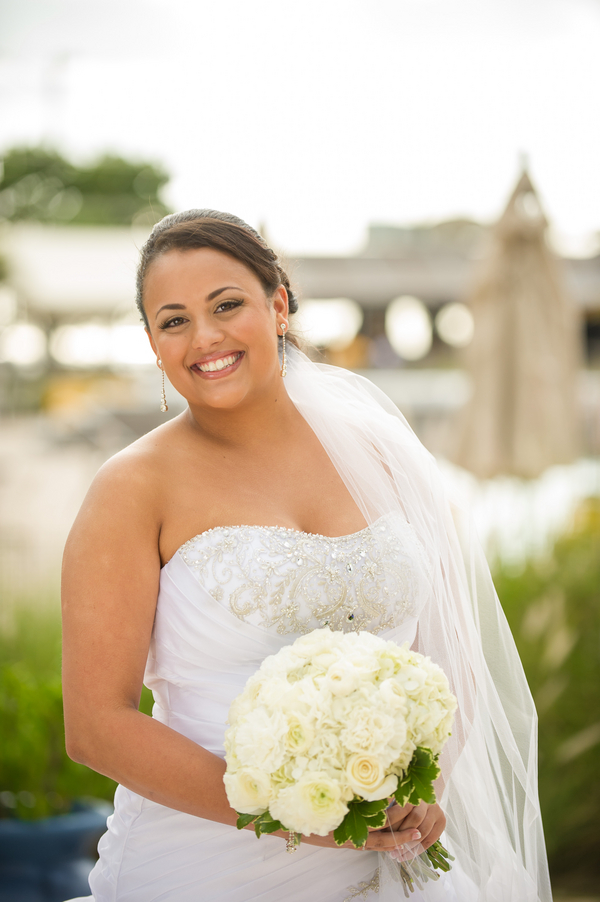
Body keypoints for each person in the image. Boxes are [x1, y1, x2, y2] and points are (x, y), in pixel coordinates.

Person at [62, 210, 552, 902]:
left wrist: (419, 785)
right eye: (173, 321)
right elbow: (96, 727)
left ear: (279, 305)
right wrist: (297, 817)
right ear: (152, 342)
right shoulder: (131, 488)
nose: (205, 338)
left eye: (227, 305)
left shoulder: (385, 458)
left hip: (386, 865)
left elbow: (453, 657)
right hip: (204, 869)